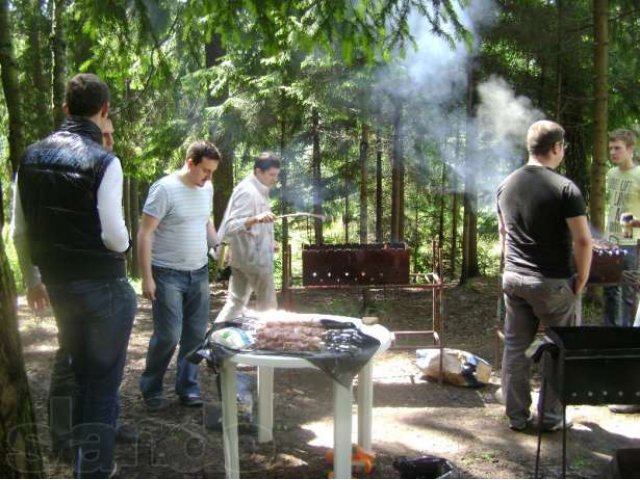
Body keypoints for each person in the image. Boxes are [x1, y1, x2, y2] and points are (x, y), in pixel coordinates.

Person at [11, 73, 137, 478]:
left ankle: (82, 459)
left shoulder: (29, 157)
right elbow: (116, 238)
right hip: (104, 289)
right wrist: (129, 241)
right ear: (104, 111)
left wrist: (33, 280)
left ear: (65, 109)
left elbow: (18, 231)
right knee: (100, 386)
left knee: (81, 376)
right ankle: (93, 470)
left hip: (59, 286)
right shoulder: (103, 160)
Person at [496, 120, 592, 432]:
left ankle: (517, 417)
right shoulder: (565, 188)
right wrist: (582, 279)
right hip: (551, 282)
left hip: (514, 278)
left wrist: (508, 268)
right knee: (558, 348)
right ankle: (551, 417)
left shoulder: (506, 184)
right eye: (562, 146)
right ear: (555, 148)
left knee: (515, 348)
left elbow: (504, 233)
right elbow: (583, 240)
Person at [138, 140, 221, 410]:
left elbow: (205, 221)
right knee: (169, 335)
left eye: (212, 172)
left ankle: (188, 388)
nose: (208, 177)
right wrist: (147, 276)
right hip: (166, 274)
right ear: (190, 163)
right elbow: (145, 233)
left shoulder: (206, 188)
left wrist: (218, 246)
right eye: (205, 170)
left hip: (198, 272)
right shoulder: (165, 189)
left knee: (196, 335)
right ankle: (151, 388)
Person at [213, 152, 281, 324]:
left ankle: (215, 336)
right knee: (268, 306)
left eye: (277, 175)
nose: (275, 179)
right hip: (253, 260)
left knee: (235, 303)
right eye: (272, 175)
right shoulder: (247, 191)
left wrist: (269, 241)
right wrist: (256, 219)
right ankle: (267, 343)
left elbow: (254, 228)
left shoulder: (259, 190)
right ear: (259, 171)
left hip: (246, 257)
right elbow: (231, 226)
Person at [603, 129, 640, 328]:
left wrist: (632, 222)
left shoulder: (638, 174)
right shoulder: (611, 174)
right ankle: (609, 333)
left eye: (617, 148)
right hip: (610, 241)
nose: (613, 152)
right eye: (610, 148)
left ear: (630, 149)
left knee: (628, 292)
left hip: (631, 242)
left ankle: (625, 335)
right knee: (609, 290)